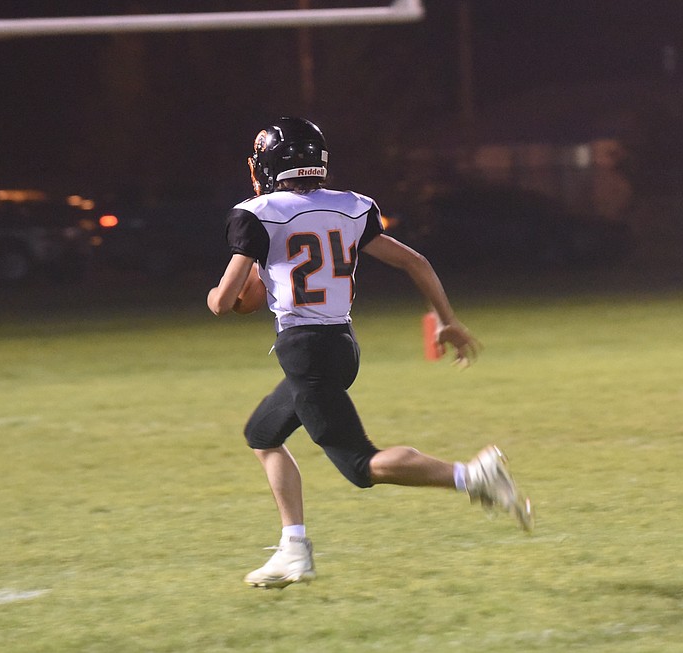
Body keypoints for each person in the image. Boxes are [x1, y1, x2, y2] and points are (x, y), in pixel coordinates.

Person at [207, 117, 533, 590]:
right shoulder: (351, 207)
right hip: (340, 344)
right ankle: (293, 548)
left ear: (268, 166)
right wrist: (447, 320)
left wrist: (218, 290)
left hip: (306, 351)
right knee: (262, 433)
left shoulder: (259, 213)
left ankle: (473, 476)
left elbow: (224, 303)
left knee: (361, 465)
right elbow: (414, 262)